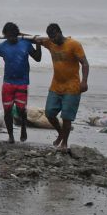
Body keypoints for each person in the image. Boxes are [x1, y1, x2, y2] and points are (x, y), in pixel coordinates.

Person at [35, 23, 89, 151]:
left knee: (66, 116)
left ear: (60, 32)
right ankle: (60, 133)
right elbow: (36, 39)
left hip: (72, 86)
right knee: (49, 112)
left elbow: (85, 64)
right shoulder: (50, 43)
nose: (53, 40)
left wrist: (84, 81)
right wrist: (36, 39)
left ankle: (64, 142)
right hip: (56, 85)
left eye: (54, 37)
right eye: (51, 38)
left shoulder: (74, 44)